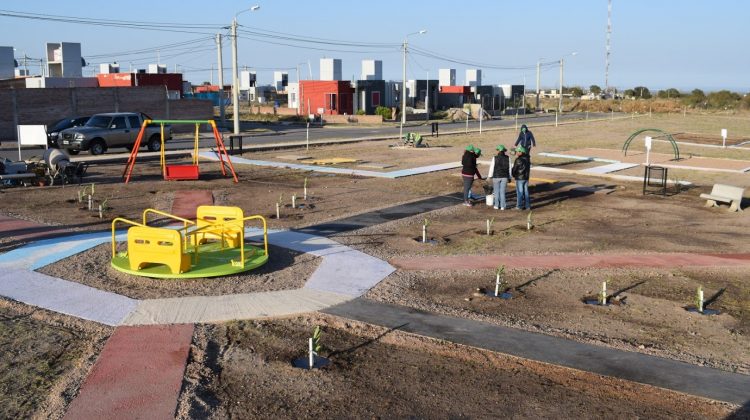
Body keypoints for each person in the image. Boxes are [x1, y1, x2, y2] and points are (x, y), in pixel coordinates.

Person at [487, 145, 511, 210]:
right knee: (502, 192)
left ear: (498, 151)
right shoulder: (508, 158)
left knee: (496, 191)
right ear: (504, 151)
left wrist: (489, 176)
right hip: (505, 176)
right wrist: (510, 177)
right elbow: (509, 169)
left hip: (496, 176)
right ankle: (503, 206)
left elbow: (492, 168)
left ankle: (496, 205)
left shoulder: (495, 158)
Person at [512, 146, 531, 210]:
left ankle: (519, 206)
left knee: (519, 192)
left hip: (519, 178)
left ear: (521, 152)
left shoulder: (518, 159)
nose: (516, 152)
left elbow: (514, 169)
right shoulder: (527, 159)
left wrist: (513, 175)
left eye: (518, 151)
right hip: (526, 178)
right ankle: (527, 206)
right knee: (526, 192)